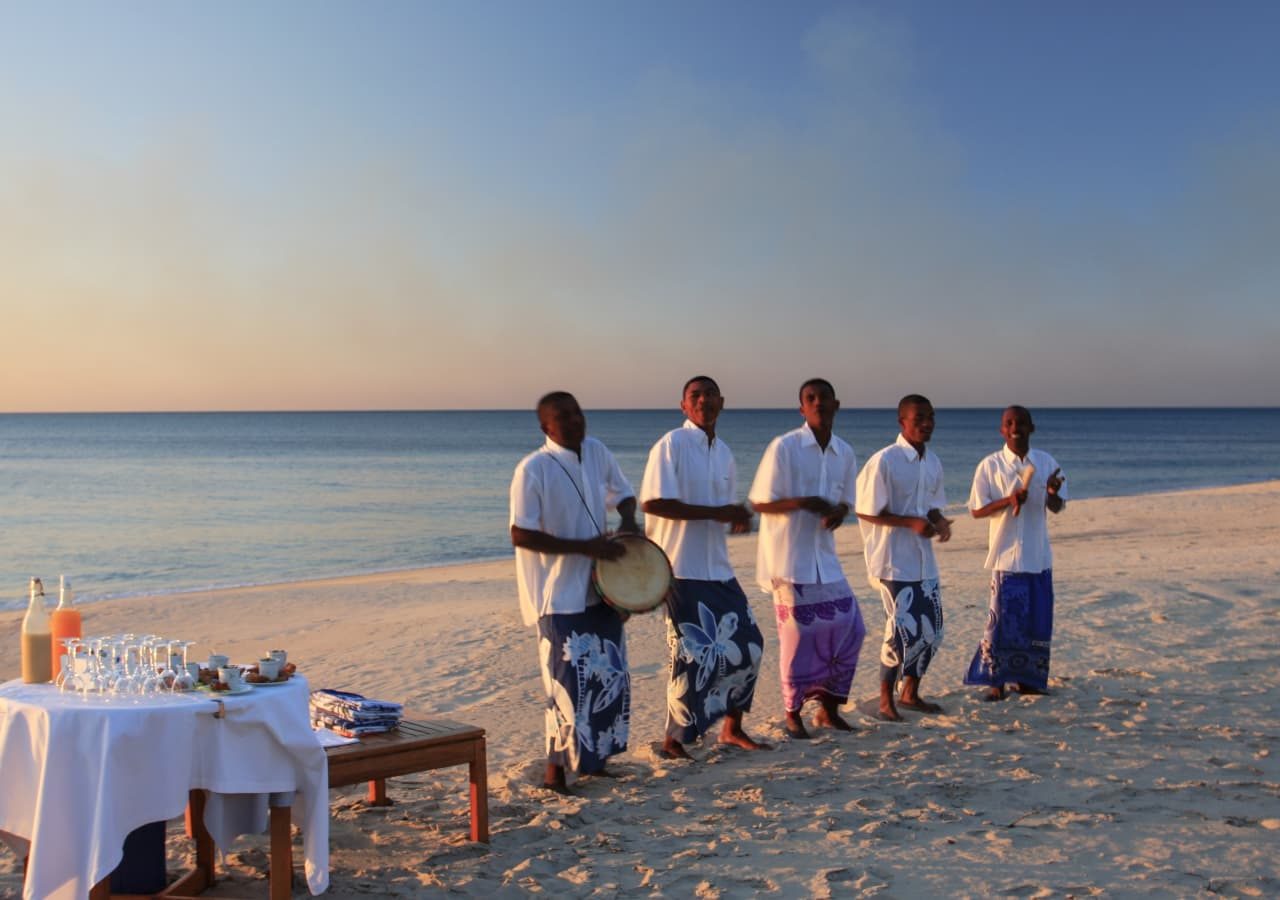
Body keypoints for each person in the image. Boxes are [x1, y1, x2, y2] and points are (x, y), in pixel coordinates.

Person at [510, 391, 639, 793]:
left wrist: (629, 523)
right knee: (565, 686)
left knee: (608, 678)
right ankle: (555, 771)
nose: (574, 421)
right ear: (545, 426)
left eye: (577, 412)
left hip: (601, 588)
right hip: (558, 595)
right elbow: (520, 533)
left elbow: (625, 494)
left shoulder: (597, 451)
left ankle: (594, 761)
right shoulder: (532, 469)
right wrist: (585, 547)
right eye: (562, 416)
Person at [641, 375, 768, 759]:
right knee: (689, 656)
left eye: (710, 394)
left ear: (722, 402)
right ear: (683, 406)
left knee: (749, 646)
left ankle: (731, 729)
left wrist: (736, 517)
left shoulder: (725, 452)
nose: (703, 401)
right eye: (695, 396)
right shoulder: (672, 444)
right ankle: (673, 739)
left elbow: (720, 512)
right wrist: (719, 512)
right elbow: (654, 504)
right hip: (679, 568)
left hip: (718, 567)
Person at [749, 378, 866, 739]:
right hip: (788, 559)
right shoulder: (784, 447)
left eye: (824, 397)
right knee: (797, 637)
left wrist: (840, 511)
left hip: (825, 559)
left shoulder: (844, 452)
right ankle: (792, 712)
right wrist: (803, 502)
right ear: (802, 409)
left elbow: (848, 499)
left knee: (851, 629)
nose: (818, 403)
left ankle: (828, 710)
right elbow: (760, 502)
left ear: (836, 404)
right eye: (810, 399)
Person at [855, 394, 952, 721]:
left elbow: (932, 505)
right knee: (900, 630)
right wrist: (910, 522)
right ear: (902, 422)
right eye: (919, 418)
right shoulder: (885, 460)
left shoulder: (933, 461)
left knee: (933, 630)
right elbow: (866, 511)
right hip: (892, 560)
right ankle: (885, 699)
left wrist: (938, 522)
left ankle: (910, 692)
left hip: (924, 561)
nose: (927, 424)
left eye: (931, 417)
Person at [964, 405, 1067, 700]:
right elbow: (976, 510)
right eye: (1009, 422)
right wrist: (1008, 501)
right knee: (1002, 622)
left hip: (1038, 556)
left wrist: (1051, 494)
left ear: (1031, 427)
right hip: (1006, 557)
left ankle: (1029, 681)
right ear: (1001, 430)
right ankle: (996, 682)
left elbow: (1058, 507)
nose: (1015, 427)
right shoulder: (990, 465)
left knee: (1036, 622)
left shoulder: (1047, 463)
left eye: (1021, 422)